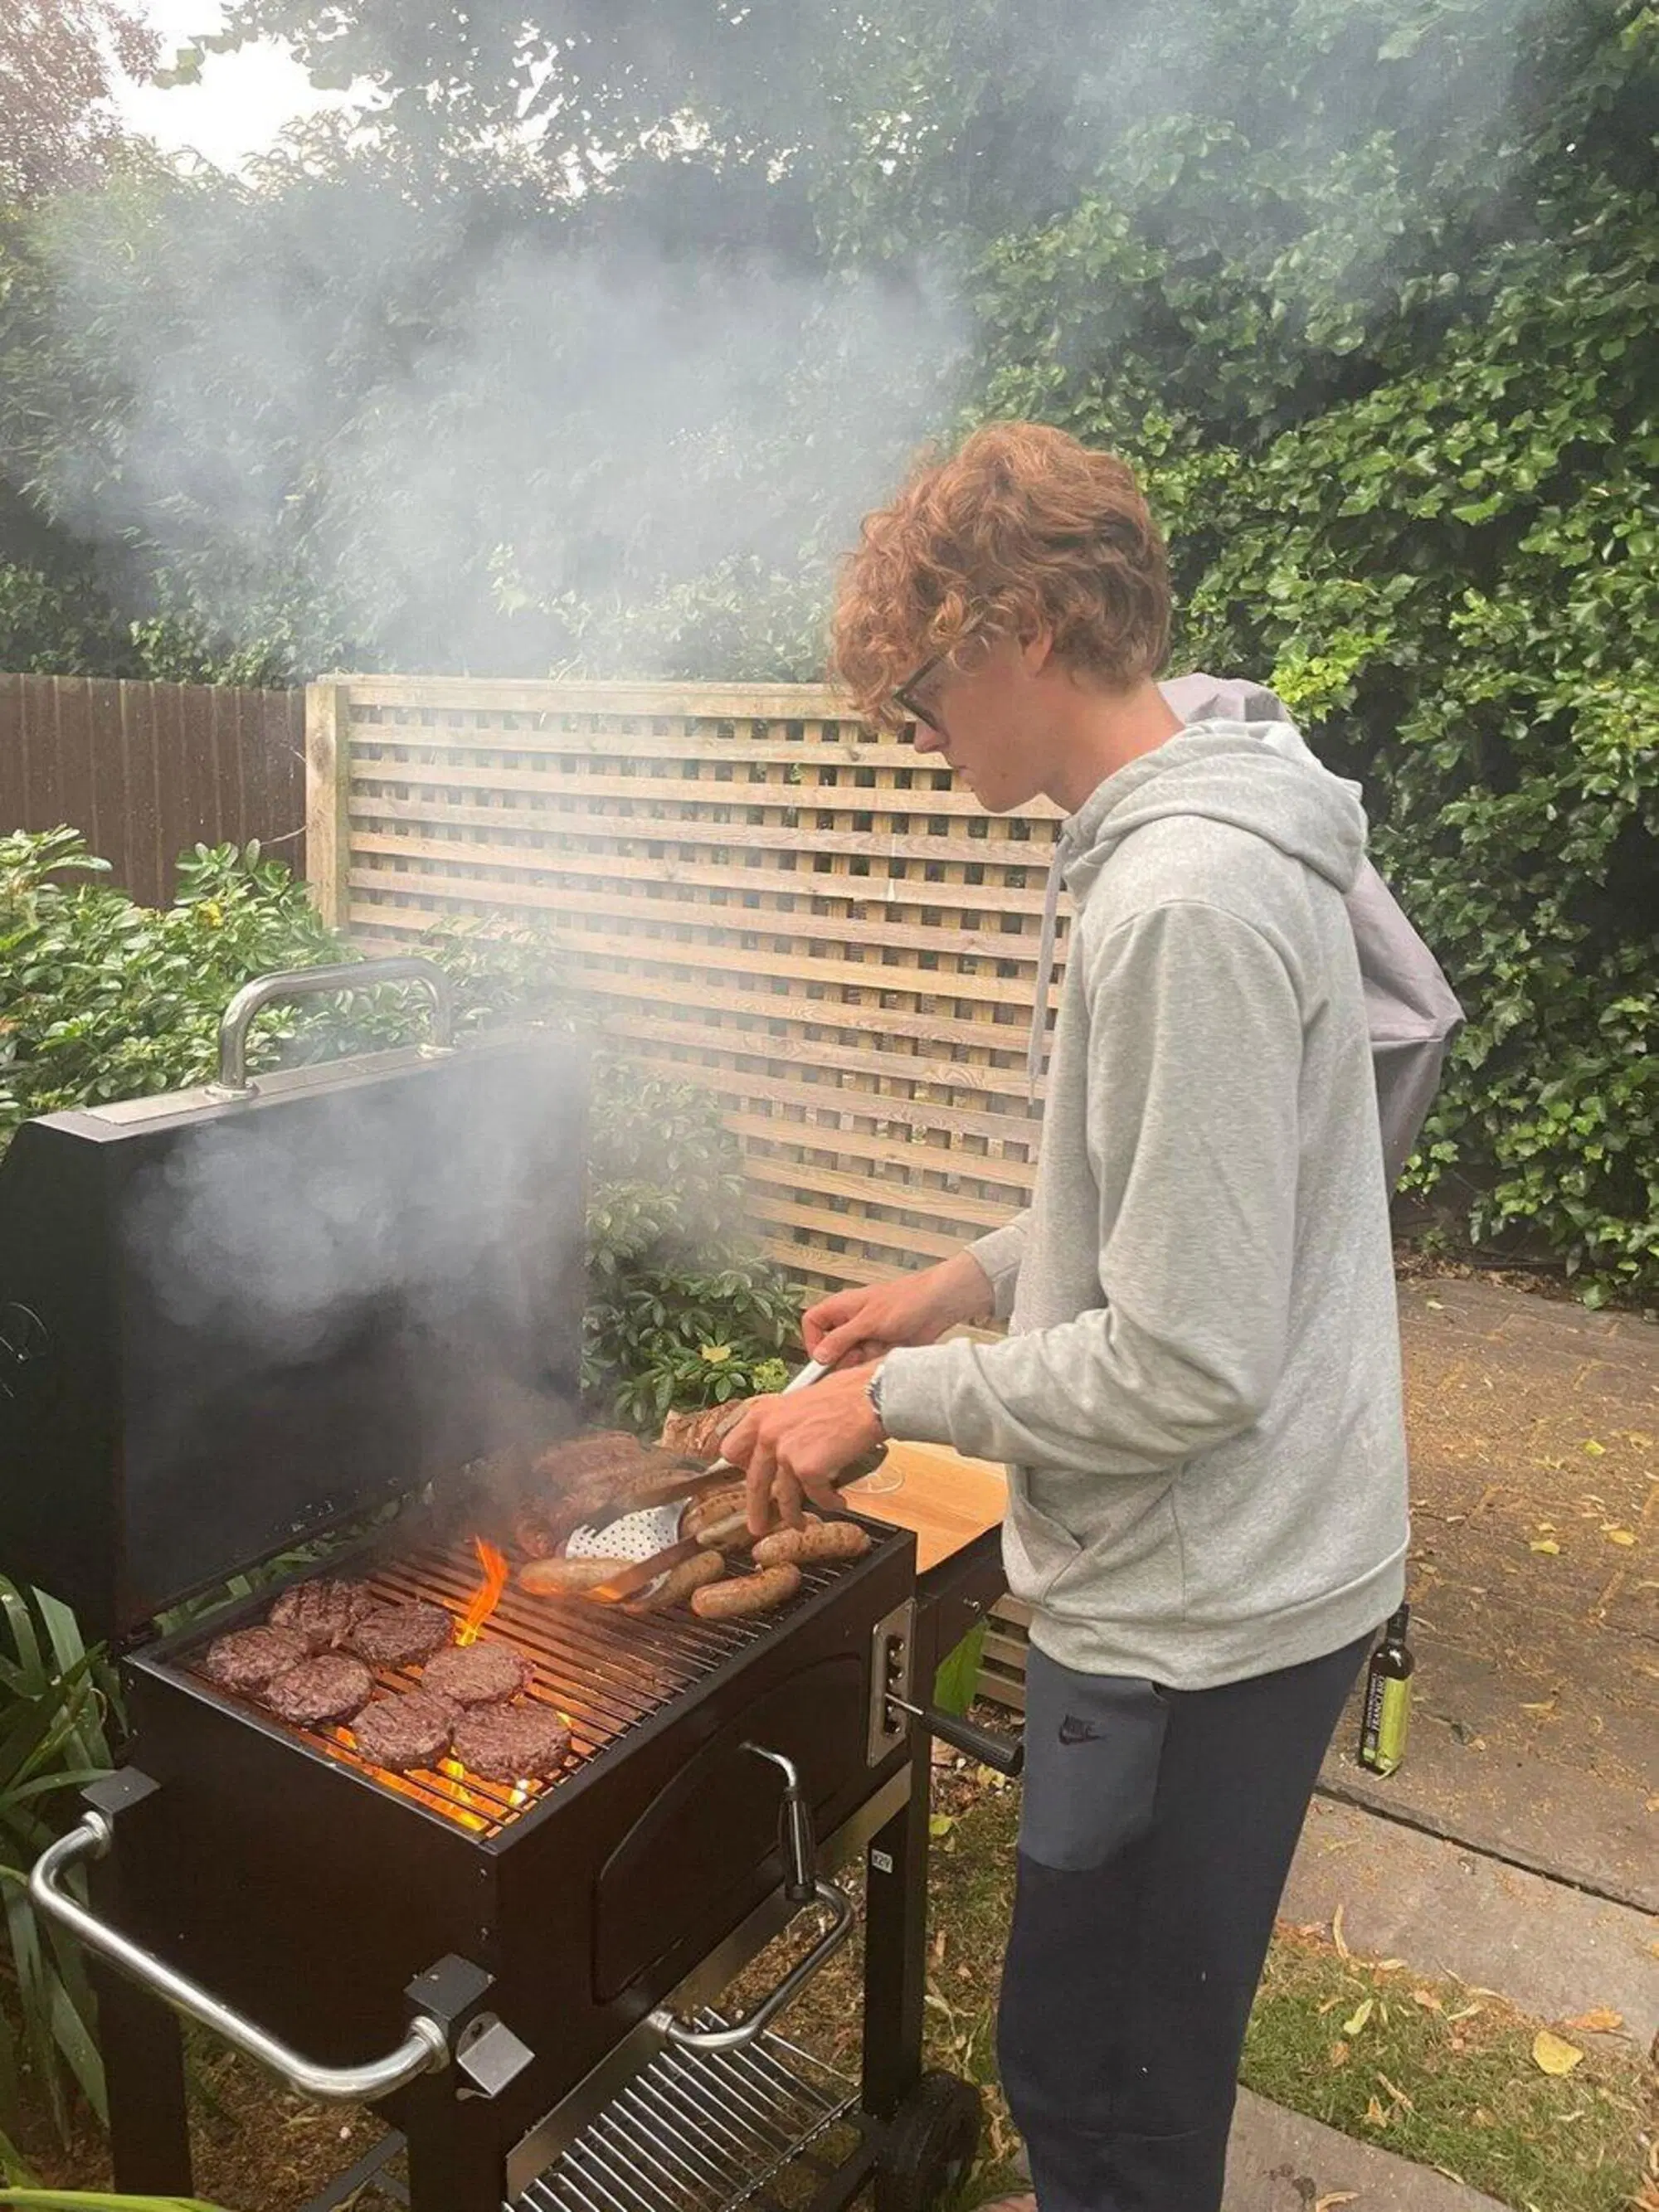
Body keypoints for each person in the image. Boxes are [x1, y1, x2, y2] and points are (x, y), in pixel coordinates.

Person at [717, 421, 1409, 2212]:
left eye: (917, 692)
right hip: (1246, 1566)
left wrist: (890, 1404)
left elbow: (1185, 1357)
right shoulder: (1204, 815)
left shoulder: (1181, 897)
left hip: (1206, 1603)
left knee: (1098, 2081)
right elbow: (1168, 1194)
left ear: (1016, 627)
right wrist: (959, 1283)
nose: (911, 730)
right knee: (1107, 2055)